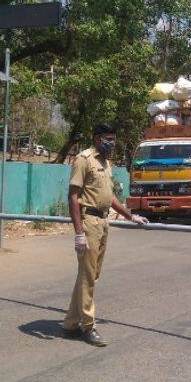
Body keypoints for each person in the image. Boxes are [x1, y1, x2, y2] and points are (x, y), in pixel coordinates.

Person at [62, 123, 148, 347]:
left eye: (114, 139)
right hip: (89, 221)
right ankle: (88, 326)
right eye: (108, 139)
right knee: (88, 275)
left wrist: (130, 216)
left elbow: (109, 197)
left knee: (90, 274)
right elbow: (73, 196)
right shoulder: (84, 159)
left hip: (103, 221)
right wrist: (79, 232)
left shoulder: (106, 163)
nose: (111, 143)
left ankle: (71, 322)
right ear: (97, 137)